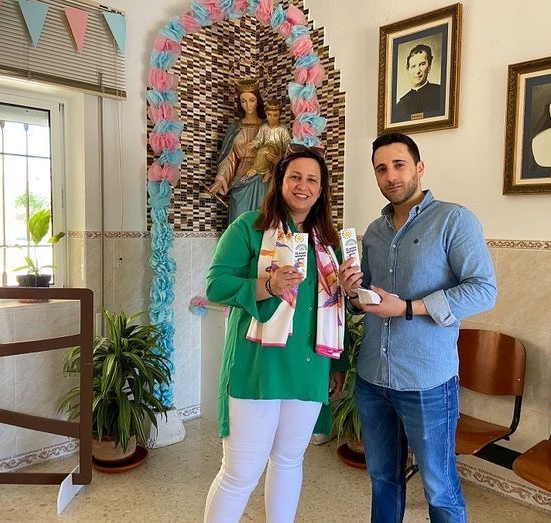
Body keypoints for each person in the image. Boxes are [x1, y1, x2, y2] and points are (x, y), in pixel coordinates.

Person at [339, 133, 497, 522]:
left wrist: (409, 307)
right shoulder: (374, 232)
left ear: (419, 168)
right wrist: (351, 293)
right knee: (382, 479)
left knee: (439, 487)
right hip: (373, 379)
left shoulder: (453, 220)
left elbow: (484, 290)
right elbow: (366, 300)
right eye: (381, 169)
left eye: (399, 165)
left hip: (426, 382)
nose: (390, 176)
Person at [204, 145, 349, 523]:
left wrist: (338, 363)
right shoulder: (249, 227)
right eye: (295, 177)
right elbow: (216, 285)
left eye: (312, 179)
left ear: (322, 189)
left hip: (309, 365)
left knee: (288, 461)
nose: (303, 186)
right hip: (258, 366)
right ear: (280, 181)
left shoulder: (328, 241)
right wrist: (266, 285)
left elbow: (333, 306)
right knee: (240, 473)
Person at [208, 78, 265, 224]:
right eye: (243, 101)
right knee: (238, 222)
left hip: (262, 181)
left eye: (251, 100)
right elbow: (229, 159)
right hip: (240, 180)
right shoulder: (234, 129)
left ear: (258, 101)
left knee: (261, 222)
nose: (248, 105)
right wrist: (220, 180)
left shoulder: (268, 128)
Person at [245, 100, 292, 182]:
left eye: (275, 115)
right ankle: (267, 171)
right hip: (265, 150)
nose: (272, 118)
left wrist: (288, 145)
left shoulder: (282, 129)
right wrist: (253, 143)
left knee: (264, 151)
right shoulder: (263, 127)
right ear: (266, 114)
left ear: (279, 115)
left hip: (277, 151)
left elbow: (286, 140)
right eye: (269, 115)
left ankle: (256, 169)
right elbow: (259, 139)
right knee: (262, 151)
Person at [395, 44, 441, 119]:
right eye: (413, 66)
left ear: (429, 67)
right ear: (408, 70)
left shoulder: (440, 93)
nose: (417, 71)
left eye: (422, 64)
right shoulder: (400, 105)